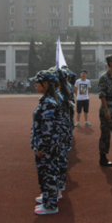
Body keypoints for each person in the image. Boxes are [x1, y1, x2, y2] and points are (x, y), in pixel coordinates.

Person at [31, 69, 64, 215]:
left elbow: (47, 129)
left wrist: (42, 148)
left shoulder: (48, 103)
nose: (35, 84)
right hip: (49, 144)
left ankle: (51, 205)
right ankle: (48, 199)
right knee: (49, 173)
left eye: (38, 82)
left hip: (47, 146)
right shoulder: (47, 100)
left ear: (46, 84)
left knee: (48, 174)